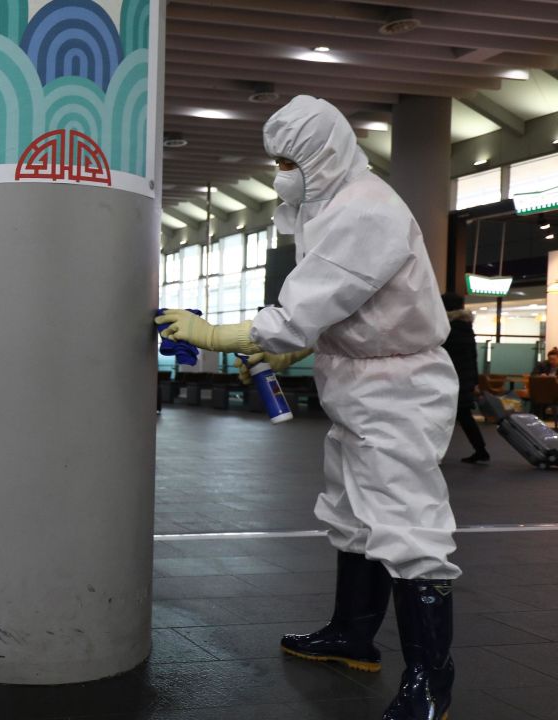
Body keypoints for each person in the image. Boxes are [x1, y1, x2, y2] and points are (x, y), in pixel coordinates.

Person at [157, 95, 458, 720]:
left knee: (407, 527)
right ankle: (353, 634)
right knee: (353, 511)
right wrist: (297, 351)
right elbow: (344, 306)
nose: (281, 171)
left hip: (397, 387)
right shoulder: (328, 203)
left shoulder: (364, 210)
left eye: (288, 159)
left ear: (323, 153)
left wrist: (214, 334)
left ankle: (432, 683)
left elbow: (302, 311)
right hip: (357, 376)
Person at [442, 293, 489, 463]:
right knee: (464, 415)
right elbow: (473, 357)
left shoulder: (446, 329)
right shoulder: (466, 328)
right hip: (465, 378)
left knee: (441, 416)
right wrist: (474, 381)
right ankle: (481, 450)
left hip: (450, 378)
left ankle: (434, 453)